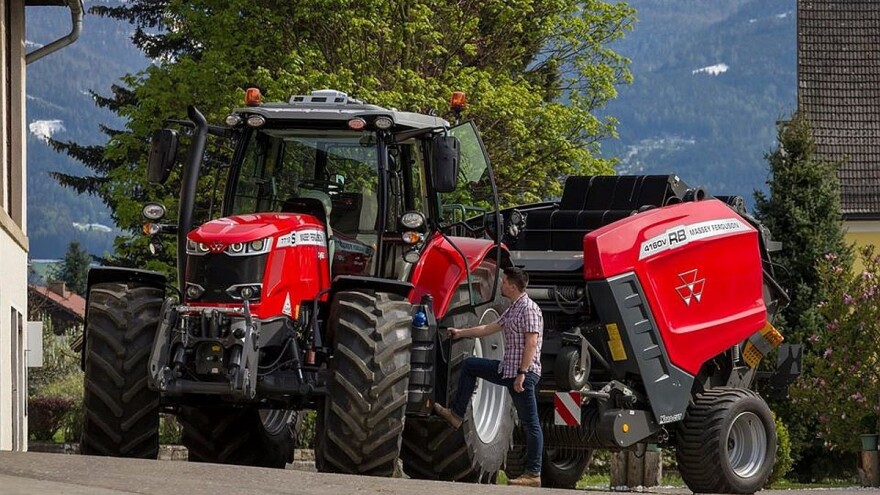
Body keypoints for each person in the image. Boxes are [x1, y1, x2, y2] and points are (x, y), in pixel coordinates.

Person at [433, 266, 545, 488]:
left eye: (504, 282)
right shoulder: (513, 309)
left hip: (523, 374)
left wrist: (522, 374)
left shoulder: (529, 309)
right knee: (470, 365)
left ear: (512, 286)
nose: (501, 284)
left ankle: (533, 473)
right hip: (507, 370)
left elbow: (531, 343)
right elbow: (488, 328)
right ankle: (456, 414)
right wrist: (461, 333)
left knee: (531, 424)